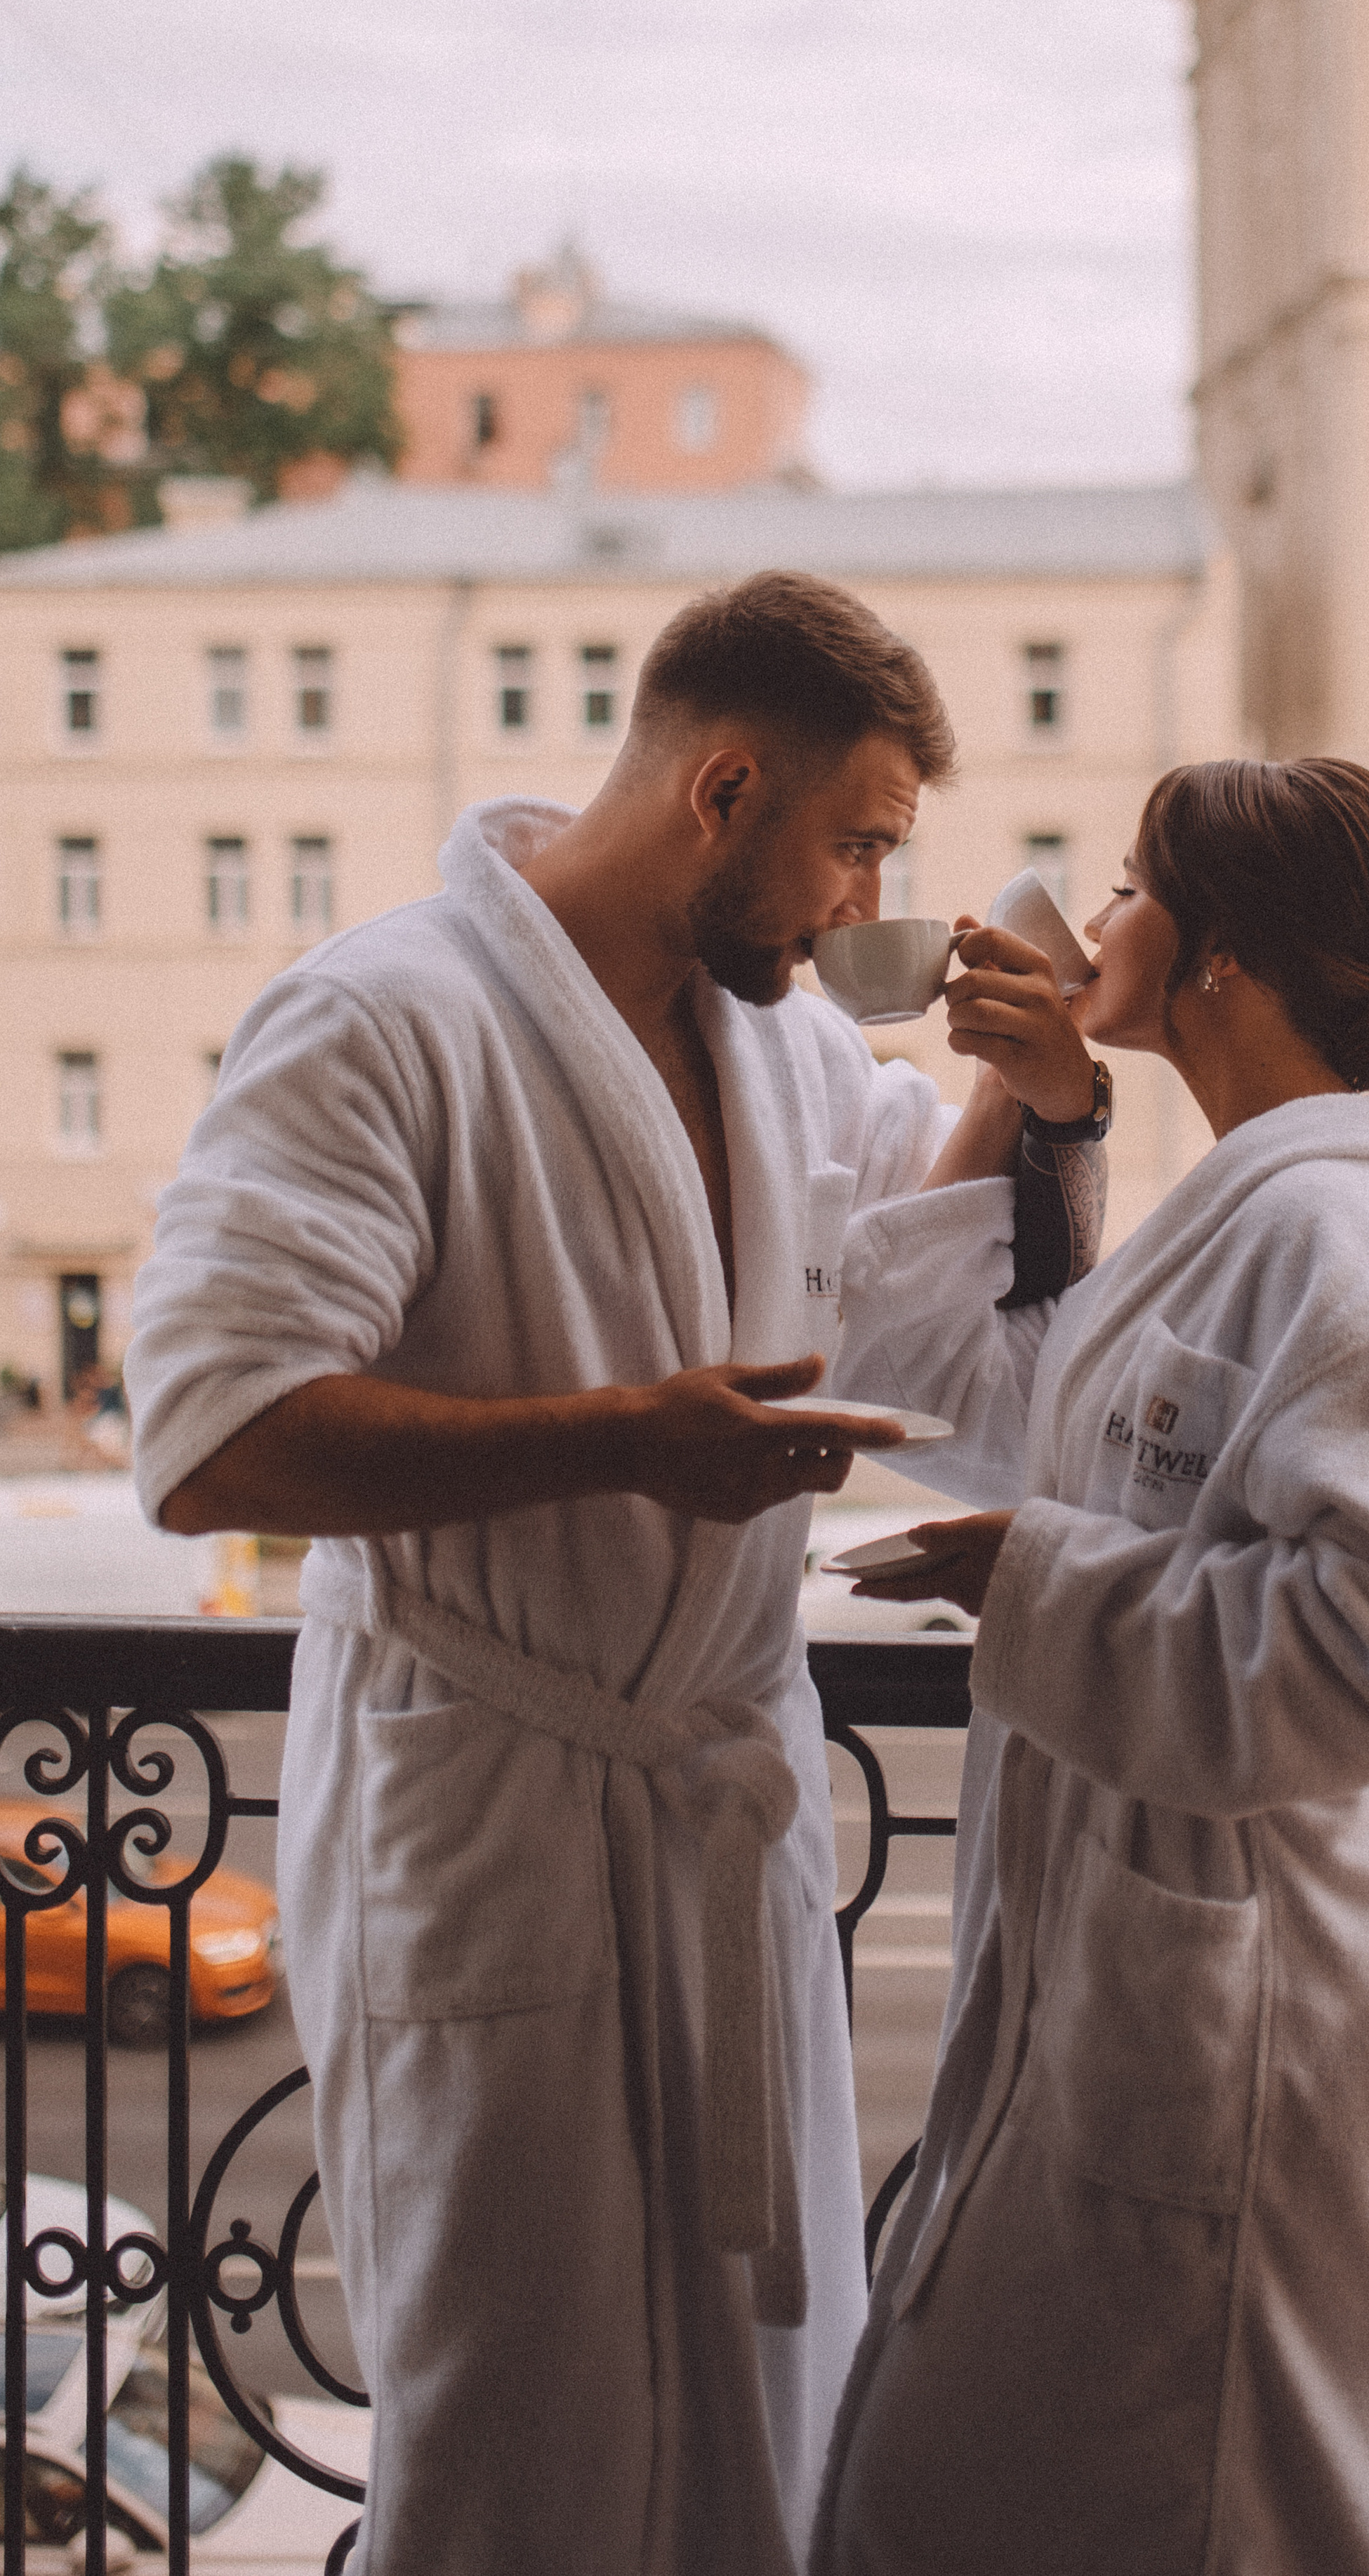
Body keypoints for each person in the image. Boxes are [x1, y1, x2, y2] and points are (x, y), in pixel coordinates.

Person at [124, 571, 1103, 2576]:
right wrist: (630, 1441)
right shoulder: (385, 1017)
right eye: (857, 845)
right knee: (521, 2437)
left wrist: (1044, 1094)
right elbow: (210, 1435)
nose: (867, 902)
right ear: (723, 789)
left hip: (717, 1816)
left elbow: (929, 1351)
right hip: (493, 1808)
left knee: (764, 2409)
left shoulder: (790, 1051)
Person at [815, 755, 1369, 2576]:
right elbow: (966, 1390)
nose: (1097, 917)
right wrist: (1041, 1101)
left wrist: (1034, 1582)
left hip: (1261, 1998)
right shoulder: (1250, 1215)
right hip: (1163, 1965)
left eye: (1134, 889)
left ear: (1218, 951)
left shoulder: (1341, 1234)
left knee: (1197, 2499)